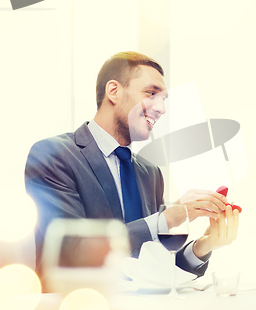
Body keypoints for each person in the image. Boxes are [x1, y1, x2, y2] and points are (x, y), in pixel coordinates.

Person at [25, 51, 239, 279]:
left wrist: (203, 246)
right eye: (151, 93)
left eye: (163, 99)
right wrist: (166, 219)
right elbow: (71, 251)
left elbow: (151, 265)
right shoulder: (53, 155)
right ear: (114, 91)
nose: (161, 108)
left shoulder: (150, 173)